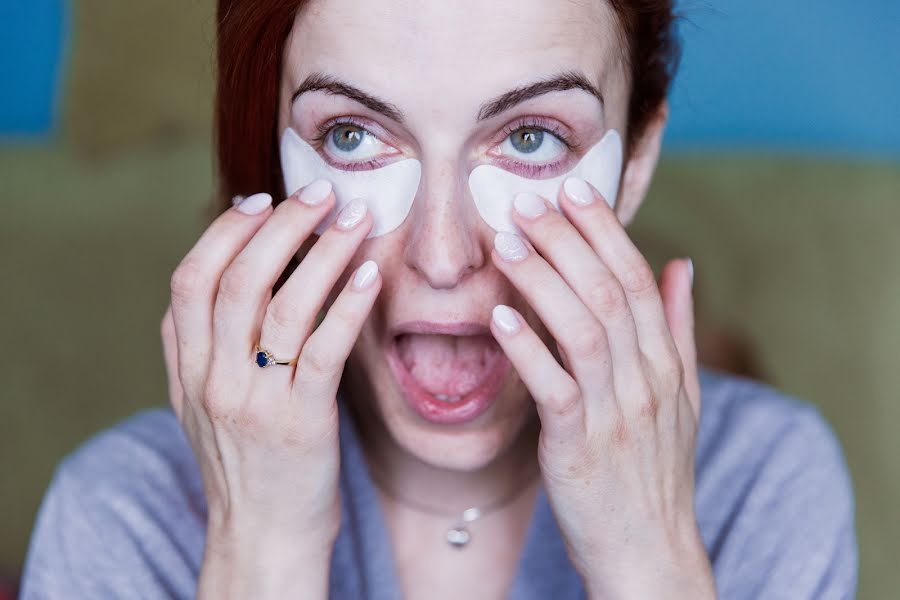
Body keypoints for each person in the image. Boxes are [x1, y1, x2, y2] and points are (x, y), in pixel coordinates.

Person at [19, 0, 858, 598]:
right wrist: (263, 551)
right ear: (274, 162)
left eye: (531, 138)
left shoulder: (764, 482)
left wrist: (648, 562)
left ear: (635, 162)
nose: (444, 254)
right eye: (352, 137)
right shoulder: (120, 515)